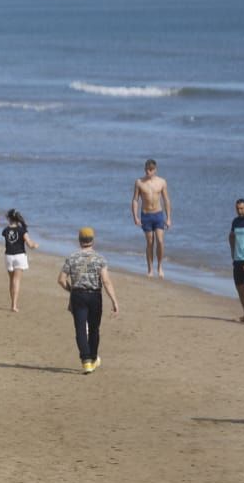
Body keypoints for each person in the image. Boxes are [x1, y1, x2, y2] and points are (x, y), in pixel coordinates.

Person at [57, 227, 121, 374]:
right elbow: (106, 281)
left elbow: (61, 280)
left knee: (80, 329)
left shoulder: (72, 257)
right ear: (93, 240)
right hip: (94, 296)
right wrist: (114, 301)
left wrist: (71, 290)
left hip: (77, 295)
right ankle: (92, 358)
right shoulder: (100, 259)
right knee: (94, 329)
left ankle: (86, 361)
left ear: (79, 241)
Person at [131, 159, 172, 278]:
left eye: (150, 170)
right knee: (150, 242)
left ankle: (160, 267)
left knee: (160, 241)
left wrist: (169, 218)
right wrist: (135, 217)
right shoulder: (139, 182)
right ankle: (150, 269)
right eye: (146, 169)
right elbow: (135, 200)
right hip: (146, 215)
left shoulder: (162, 182)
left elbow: (166, 200)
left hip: (158, 214)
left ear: (155, 170)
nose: (148, 172)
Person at [1, 208, 40, 314]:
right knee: (16, 280)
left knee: (11, 280)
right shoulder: (22, 230)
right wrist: (35, 245)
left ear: (9, 219)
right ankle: (14, 305)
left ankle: (12, 303)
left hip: (8, 256)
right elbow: (29, 244)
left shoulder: (5, 230)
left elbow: (7, 237)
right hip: (19, 256)